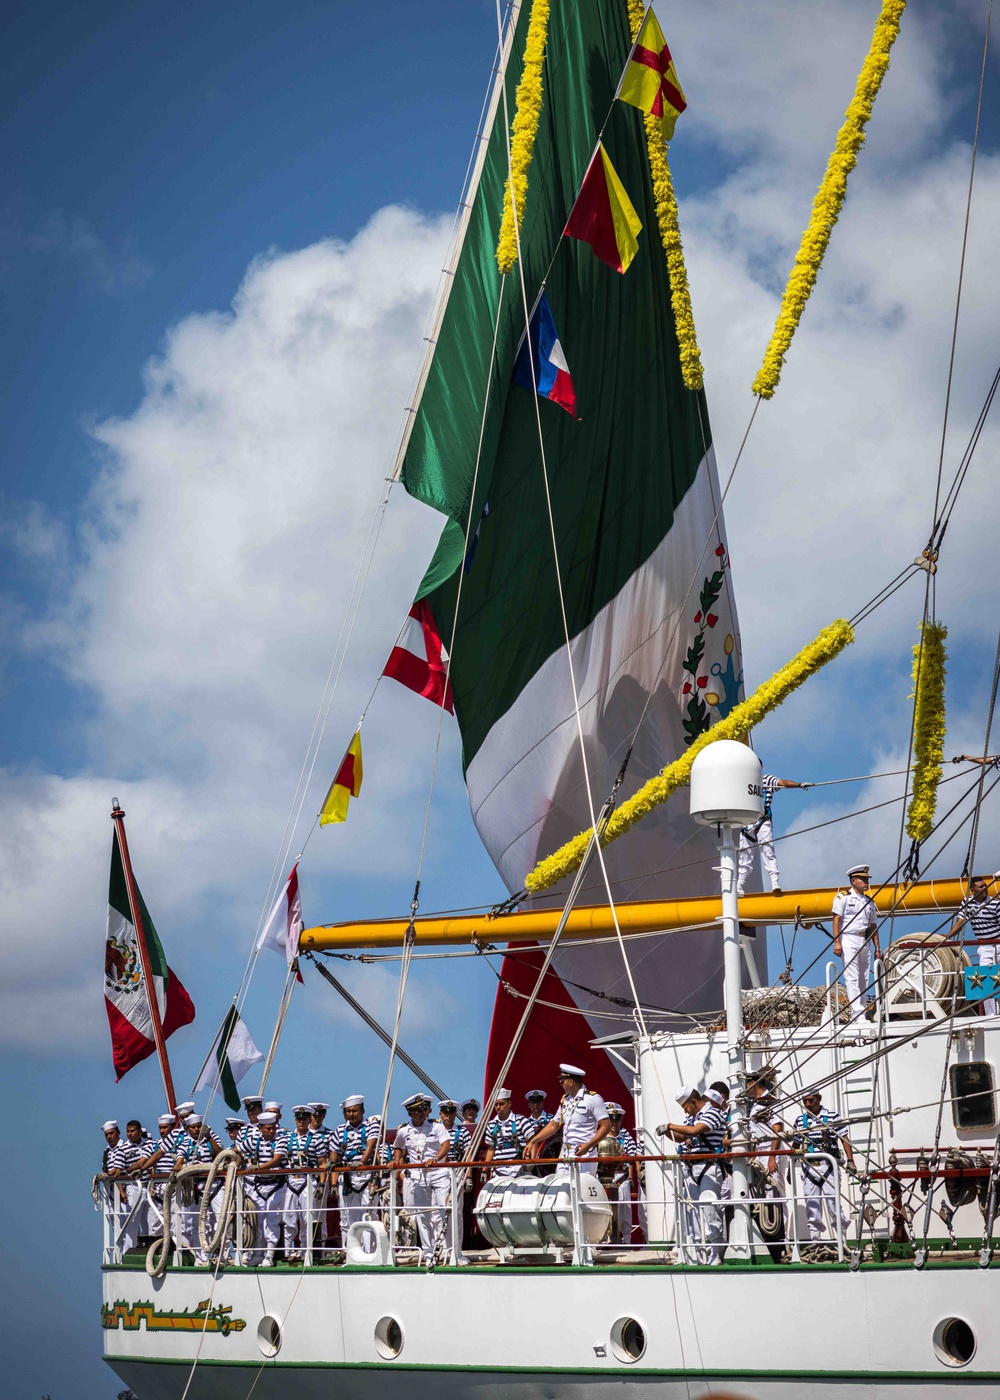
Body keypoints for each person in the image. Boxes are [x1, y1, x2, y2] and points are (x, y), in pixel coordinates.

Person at [657, 1086, 727, 1265]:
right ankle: (696, 1252)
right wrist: (668, 1132)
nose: (685, 1111)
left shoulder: (714, 1112)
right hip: (692, 1168)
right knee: (693, 1211)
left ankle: (716, 1251)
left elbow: (696, 1130)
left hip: (709, 1167)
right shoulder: (691, 1116)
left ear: (694, 1102)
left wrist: (670, 1125)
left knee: (709, 1208)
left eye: (686, 1107)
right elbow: (683, 1137)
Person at [392, 1093, 450, 1263]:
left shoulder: (436, 1127)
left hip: (438, 1173)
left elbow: (446, 1145)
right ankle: (428, 1252)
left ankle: (448, 1250)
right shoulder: (404, 1130)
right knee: (423, 1215)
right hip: (418, 1176)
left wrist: (436, 1159)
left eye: (424, 1109)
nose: (422, 1113)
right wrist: (396, 1162)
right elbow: (397, 1146)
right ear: (410, 1113)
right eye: (417, 1111)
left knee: (444, 1211)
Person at [523, 1065, 610, 1176]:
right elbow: (554, 1125)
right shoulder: (565, 1100)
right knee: (562, 1189)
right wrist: (533, 1141)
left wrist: (588, 1145)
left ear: (570, 1082)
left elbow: (606, 1126)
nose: (560, 1083)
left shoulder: (593, 1099)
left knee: (581, 1190)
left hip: (584, 1154)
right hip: (565, 1154)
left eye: (562, 1081)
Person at [792, 1090, 854, 1242]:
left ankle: (842, 1240)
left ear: (819, 1098)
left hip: (828, 1167)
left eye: (811, 1100)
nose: (807, 1104)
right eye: (805, 1101)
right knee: (811, 1206)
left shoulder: (832, 1117)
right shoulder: (800, 1121)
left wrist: (850, 1160)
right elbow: (796, 1144)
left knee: (833, 1204)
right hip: (809, 1168)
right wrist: (790, 1166)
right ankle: (815, 1241)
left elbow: (844, 1139)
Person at [737, 771, 812, 896]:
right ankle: (739, 884)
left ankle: (774, 882)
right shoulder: (742, 781)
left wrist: (799, 785)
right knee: (745, 854)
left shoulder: (766, 779)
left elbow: (781, 783)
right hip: (747, 822)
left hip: (762, 820)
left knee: (768, 850)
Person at [832, 864, 881, 1025]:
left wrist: (877, 947)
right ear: (854, 881)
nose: (867, 882)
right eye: (863, 879)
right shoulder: (842, 898)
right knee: (852, 977)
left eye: (867, 879)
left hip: (864, 941)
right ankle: (857, 1014)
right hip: (849, 939)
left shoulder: (869, 901)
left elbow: (873, 926)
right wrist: (837, 942)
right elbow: (837, 920)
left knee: (863, 979)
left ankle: (860, 1013)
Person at [329, 1095, 379, 1244]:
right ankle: (349, 1252)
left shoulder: (371, 1125)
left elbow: (371, 1145)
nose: (351, 1114)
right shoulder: (339, 1130)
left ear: (362, 1110)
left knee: (368, 1215)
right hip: (347, 1178)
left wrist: (362, 1161)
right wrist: (331, 1164)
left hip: (367, 1175)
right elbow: (334, 1153)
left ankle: (369, 1252)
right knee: (347, 1217)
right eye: (348, 1111)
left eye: (355, 1111)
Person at [949, 875, 1000, 1017]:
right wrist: (947, 937)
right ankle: (992, 1014)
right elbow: (960, 923)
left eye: (985, 885)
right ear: (972, 890)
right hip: (984, 947)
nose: (985, 888)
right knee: (985, 978)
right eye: (981, 887)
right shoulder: (967, 903)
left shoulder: (995, 904)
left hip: (999, 942)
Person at [283, 1106, 327, 1263]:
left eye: (304, 1119)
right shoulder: (286, 1138)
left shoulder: (316, 1139)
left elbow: (323, 1163)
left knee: (308, 1219)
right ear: (295, 1120)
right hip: (291, 1182)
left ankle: (306, 1250)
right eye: (298, 1119)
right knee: (288, 1218)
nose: (301, 1122)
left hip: (308, 1182)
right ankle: (286, 1250)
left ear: (309, 1120)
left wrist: (321, 1184)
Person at [173, 1112, 218, 1265]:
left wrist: (210, 1137)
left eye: (199, 1126)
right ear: (188, 1128)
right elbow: (179, 1161)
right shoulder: (185, 1144)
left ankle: (212, 1254)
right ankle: (199, 1256)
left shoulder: (210, 1141)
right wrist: (178, 1169)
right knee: (195, 1222)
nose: (196, 1130)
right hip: (193, 1187)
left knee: (214, 1220)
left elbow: (221, 1154)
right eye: (193, 1127)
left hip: (212, 1185)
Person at [244, 1111, 288, 1266]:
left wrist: (258, 1168)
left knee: (272, 1220)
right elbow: (237, 1149)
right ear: (260, 1128)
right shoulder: (254, 1140)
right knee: (258, 1221)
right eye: (268, 1128)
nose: (271, 1131)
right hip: (259, 1186)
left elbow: (276, 1160)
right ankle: (257, 1253)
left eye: (273, 1128)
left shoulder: (281, 1140)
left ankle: (269, 1254)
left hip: (276, 1185)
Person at [604, 1103, 641, 1243]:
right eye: (611, 1119)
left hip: (622, 1176)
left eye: (617, 1120)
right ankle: (605, 1241)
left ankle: (627, 1240)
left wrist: (630, 1178)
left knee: (625, 1209)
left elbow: (631, 1158)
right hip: (604, 1178)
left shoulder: (626, 1135)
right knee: (605, 1209)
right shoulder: (599, 1135)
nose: (614, 1123)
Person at [482, 1089, 528, 1180]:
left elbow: (532, 1142)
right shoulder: (491, 1125)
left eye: (501, 1104)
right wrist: (484, 1170)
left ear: (509, 1104)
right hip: (498, 1170)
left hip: (518, 1169)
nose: (498, 1107)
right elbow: (491, 1149)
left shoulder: (521, 1120)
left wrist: (531, 1165)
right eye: (496, 1104)